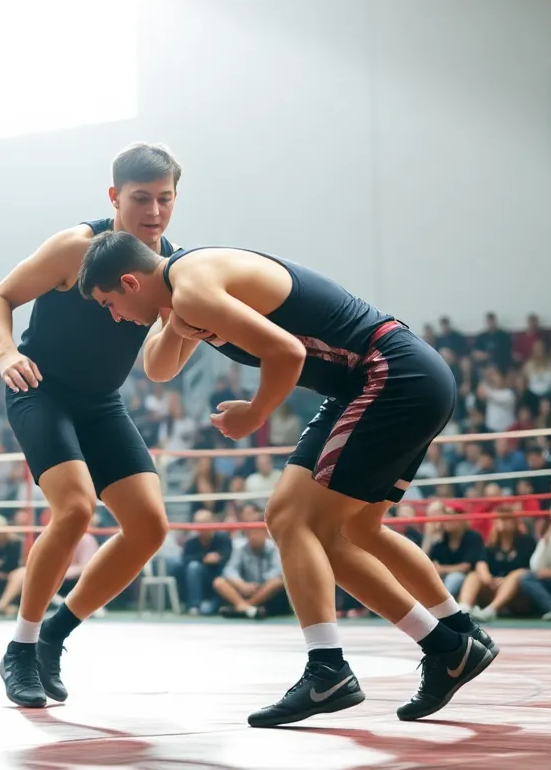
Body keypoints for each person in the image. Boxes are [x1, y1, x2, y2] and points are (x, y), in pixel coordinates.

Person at [76, 232, 498, 726]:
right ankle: (453, 639)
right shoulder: (183, 290)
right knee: (350, 530)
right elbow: (159, 367)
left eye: (111, 303)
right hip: (382, 378)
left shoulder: (191, 285)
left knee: (298, 522)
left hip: (389, 376)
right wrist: (173, 322)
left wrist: (254, 414)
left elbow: (286, 354)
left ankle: (330, 669)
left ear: (130, 281)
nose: (114, 317)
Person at [0, 143, 182, 707]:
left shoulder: (171, 269)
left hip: (101, 402)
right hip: (38, 388)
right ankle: (19, 650)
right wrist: (4, 354)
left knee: (149, 528)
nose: (154, 213)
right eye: (141, 199)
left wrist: (184, 325)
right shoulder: (76, 246)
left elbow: (160, 369)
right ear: (114, 197)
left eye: (165, 199)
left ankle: (53, 636)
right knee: (75, 508)